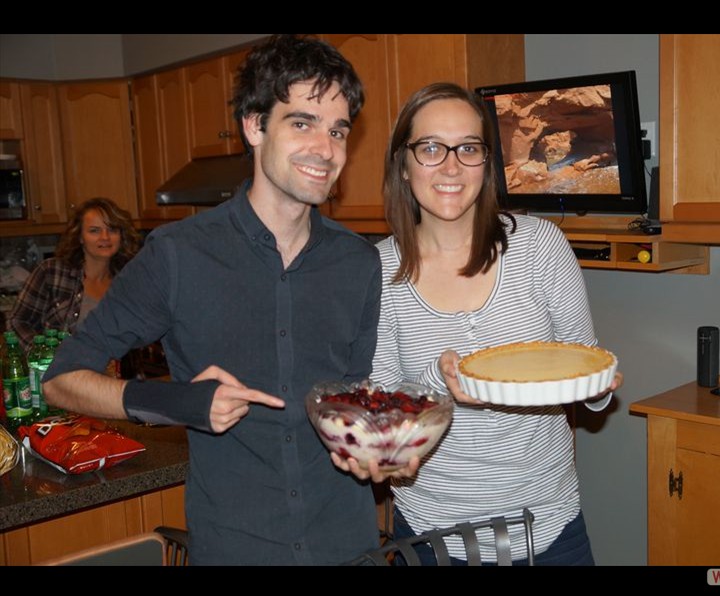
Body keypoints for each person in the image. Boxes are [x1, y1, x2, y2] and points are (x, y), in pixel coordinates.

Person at [43, 35, 383, 565]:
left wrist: (376, 445)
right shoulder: (177, 255)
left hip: (346, 544)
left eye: (338, 130)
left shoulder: (359, 261)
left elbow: (355, 398)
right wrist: (177, 402)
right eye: (302, 123)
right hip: (237, 547)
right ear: (254, 125)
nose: (326, 148)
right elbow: (61, 379)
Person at [365, 82, 620, 565]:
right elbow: (383, 411)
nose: (452, 166)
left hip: (549, 528)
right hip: (433, 538)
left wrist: (598, 386)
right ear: (403, 163)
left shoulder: (540, 247)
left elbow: (585, 369)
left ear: (487, 161)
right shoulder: (375, 273)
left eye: (468, 148)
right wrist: (437, 381)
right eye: (431, 148)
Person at [9, 197, 139, 352]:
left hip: (112, 372)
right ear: (80, 237)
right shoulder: (52, 272)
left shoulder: (129, 280)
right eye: (94, 230)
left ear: (121, 235)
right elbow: (17, 321)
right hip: (60, 373)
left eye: (112, 229)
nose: (105, 237)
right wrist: (47, 356)